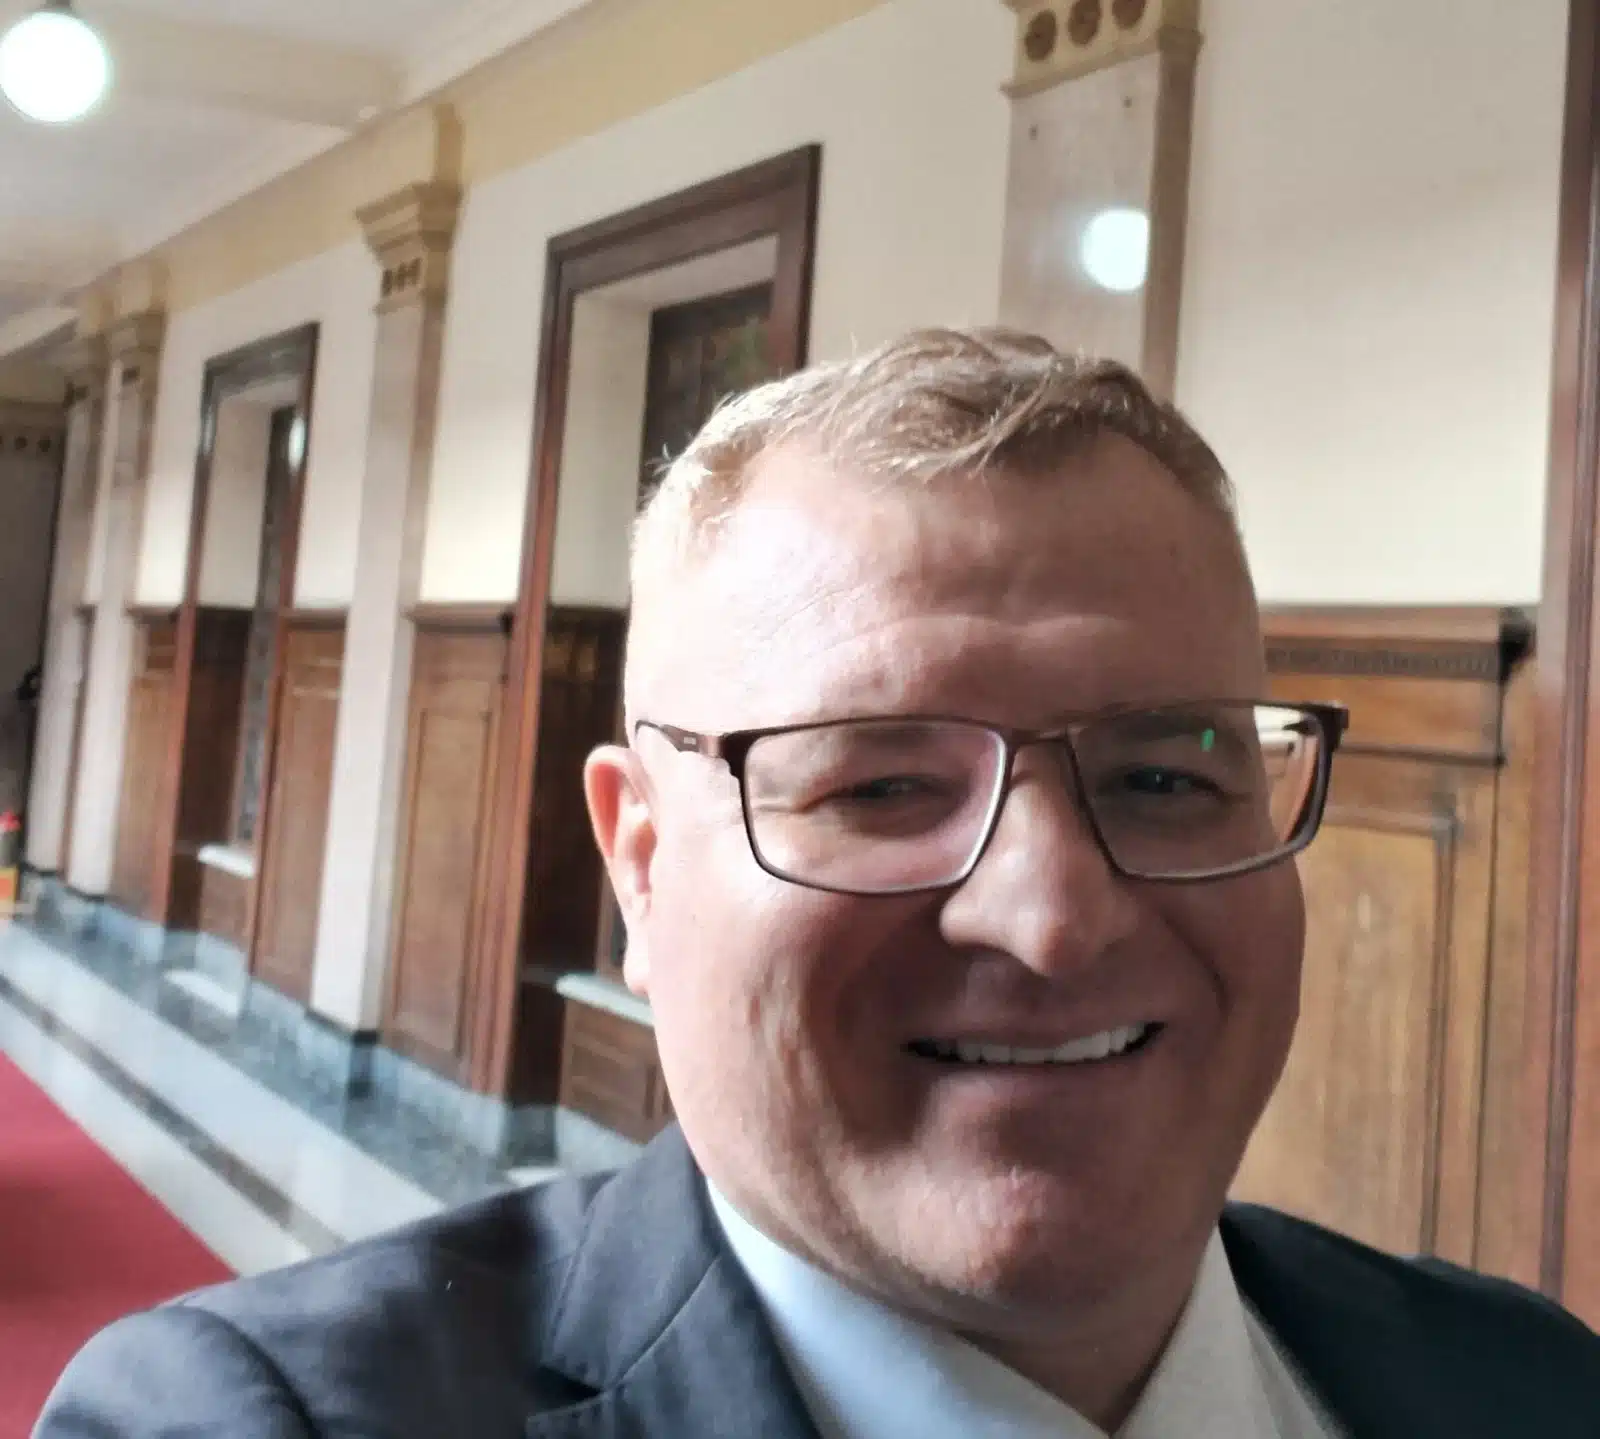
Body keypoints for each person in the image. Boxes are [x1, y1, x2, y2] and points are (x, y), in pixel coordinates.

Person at [36, 329, 1600, 1437]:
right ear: (643, 864)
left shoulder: (1528, 1383)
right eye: (880, 785)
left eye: (1164, 774)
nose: (1054, 916)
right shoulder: (247, 1420)